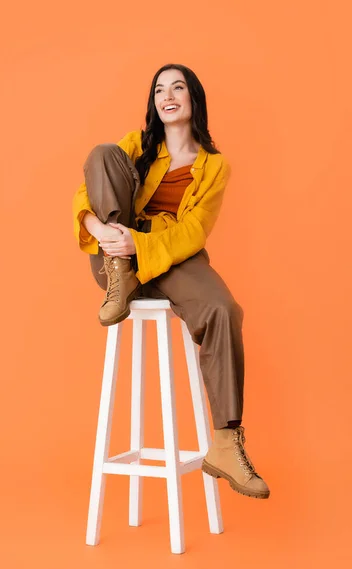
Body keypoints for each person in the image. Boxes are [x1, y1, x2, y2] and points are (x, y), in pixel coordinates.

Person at [72, 63, 270, 500]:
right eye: (159, 89)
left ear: (193, 98)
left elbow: (194, 231)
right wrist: (105, 233)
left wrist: (140, 247)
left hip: (171, 255)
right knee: (101, 152)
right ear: (154, 102)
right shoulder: (136, 145)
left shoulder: (214, 166)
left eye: (177, 86)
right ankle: (119, 279)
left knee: (223, 308)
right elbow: (86, 195)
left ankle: (224, 442)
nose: (168, 95)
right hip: (115, 257)